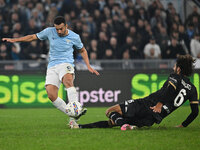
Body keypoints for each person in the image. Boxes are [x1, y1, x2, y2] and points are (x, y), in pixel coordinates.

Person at [2, 16, 100, 124]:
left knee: (68, 81)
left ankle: (74, 116)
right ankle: (72, 113)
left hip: (66, 63)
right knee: (51, 95)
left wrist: (88, 66)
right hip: (52, 66)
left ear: (66, 26)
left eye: (61, 29)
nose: (58, 31)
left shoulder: (74, 36)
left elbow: (83, 50)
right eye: (56, 29)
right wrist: (14, 40)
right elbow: (32, 37)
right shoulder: (49, 32)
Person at [70, 55, 199, 130]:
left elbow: (170, 90)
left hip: (148, 104)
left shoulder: (174, 77)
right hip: (154, 118)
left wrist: (159, 103)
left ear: (179, 69)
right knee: (114, 121)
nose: (173, 67)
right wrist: (183, 125)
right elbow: (195, 112)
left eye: (175, 66)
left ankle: (123, 125)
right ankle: (80, 127)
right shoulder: (192, 89)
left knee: (109, 111)